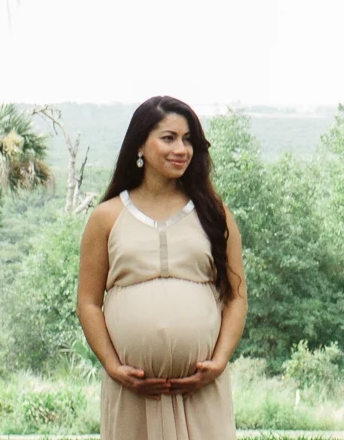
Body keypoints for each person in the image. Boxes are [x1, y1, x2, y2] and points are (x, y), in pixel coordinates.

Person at [78, 95, 247, 440]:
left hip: (201, 392)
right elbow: (89, 303)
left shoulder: (214, 213)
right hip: (133, 395)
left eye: (188, 140)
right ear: (140, 144)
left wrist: (218, 363)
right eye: (168, 138)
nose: (181, 149)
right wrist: (113, 366)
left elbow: (236, 297)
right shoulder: (106, 217)